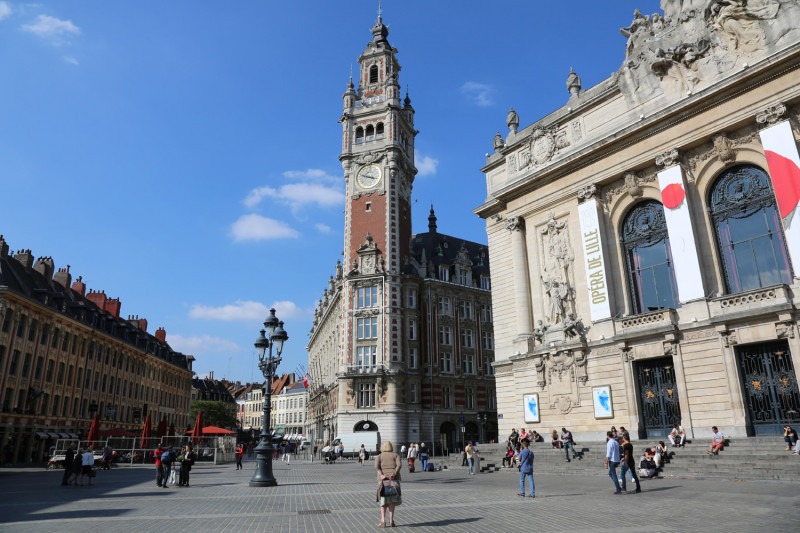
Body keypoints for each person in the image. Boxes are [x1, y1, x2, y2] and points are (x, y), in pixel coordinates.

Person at [374, 440, 402, 528]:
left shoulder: (379, 456)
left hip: (383, 481)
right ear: (391, 447)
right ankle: (391, 520)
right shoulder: (396, 455)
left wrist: (381, 475)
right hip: (394, 480)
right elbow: (399, 465)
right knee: (392, 501)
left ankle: (383, 521)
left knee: (383, 502)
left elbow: (376, 467)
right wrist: (393, 474)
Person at [605, 431, 622, 495]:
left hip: (612, 460)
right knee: (610, 473)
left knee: (613, 475)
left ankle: (618, 489)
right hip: (617, 460)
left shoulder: (609, 442)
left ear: (607, 436)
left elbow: (608, 454)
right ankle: (618, 487)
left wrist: (606, 463)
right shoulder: (615, 442)